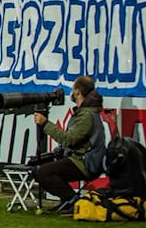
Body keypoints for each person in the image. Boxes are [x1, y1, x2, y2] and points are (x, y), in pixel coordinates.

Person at [32, 76, 106, 211]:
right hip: (81, 159)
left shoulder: (86, 115)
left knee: (43, 172)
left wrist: (45, 124)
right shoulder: (86, 113)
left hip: (84, 163)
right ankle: (67, 200)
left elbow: (69, 140)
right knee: (47, 168)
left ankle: (73, 201)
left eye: (73, 90)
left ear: (77, 92)